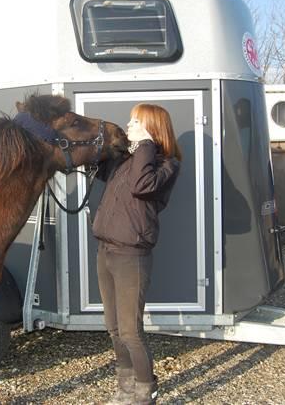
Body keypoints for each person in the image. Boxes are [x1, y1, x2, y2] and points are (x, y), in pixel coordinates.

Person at [92, 104, 181, 405]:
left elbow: (142, 186)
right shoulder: (127, 160)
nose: (128, 126)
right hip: (105, 251)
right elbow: (96, 167)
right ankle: (125, 389)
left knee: (131, 331)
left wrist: (144, 145)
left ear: (152, 128)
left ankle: (146, 392)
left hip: (131, 255)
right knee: (114, 328)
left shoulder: (166, 164)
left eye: (135, 122)